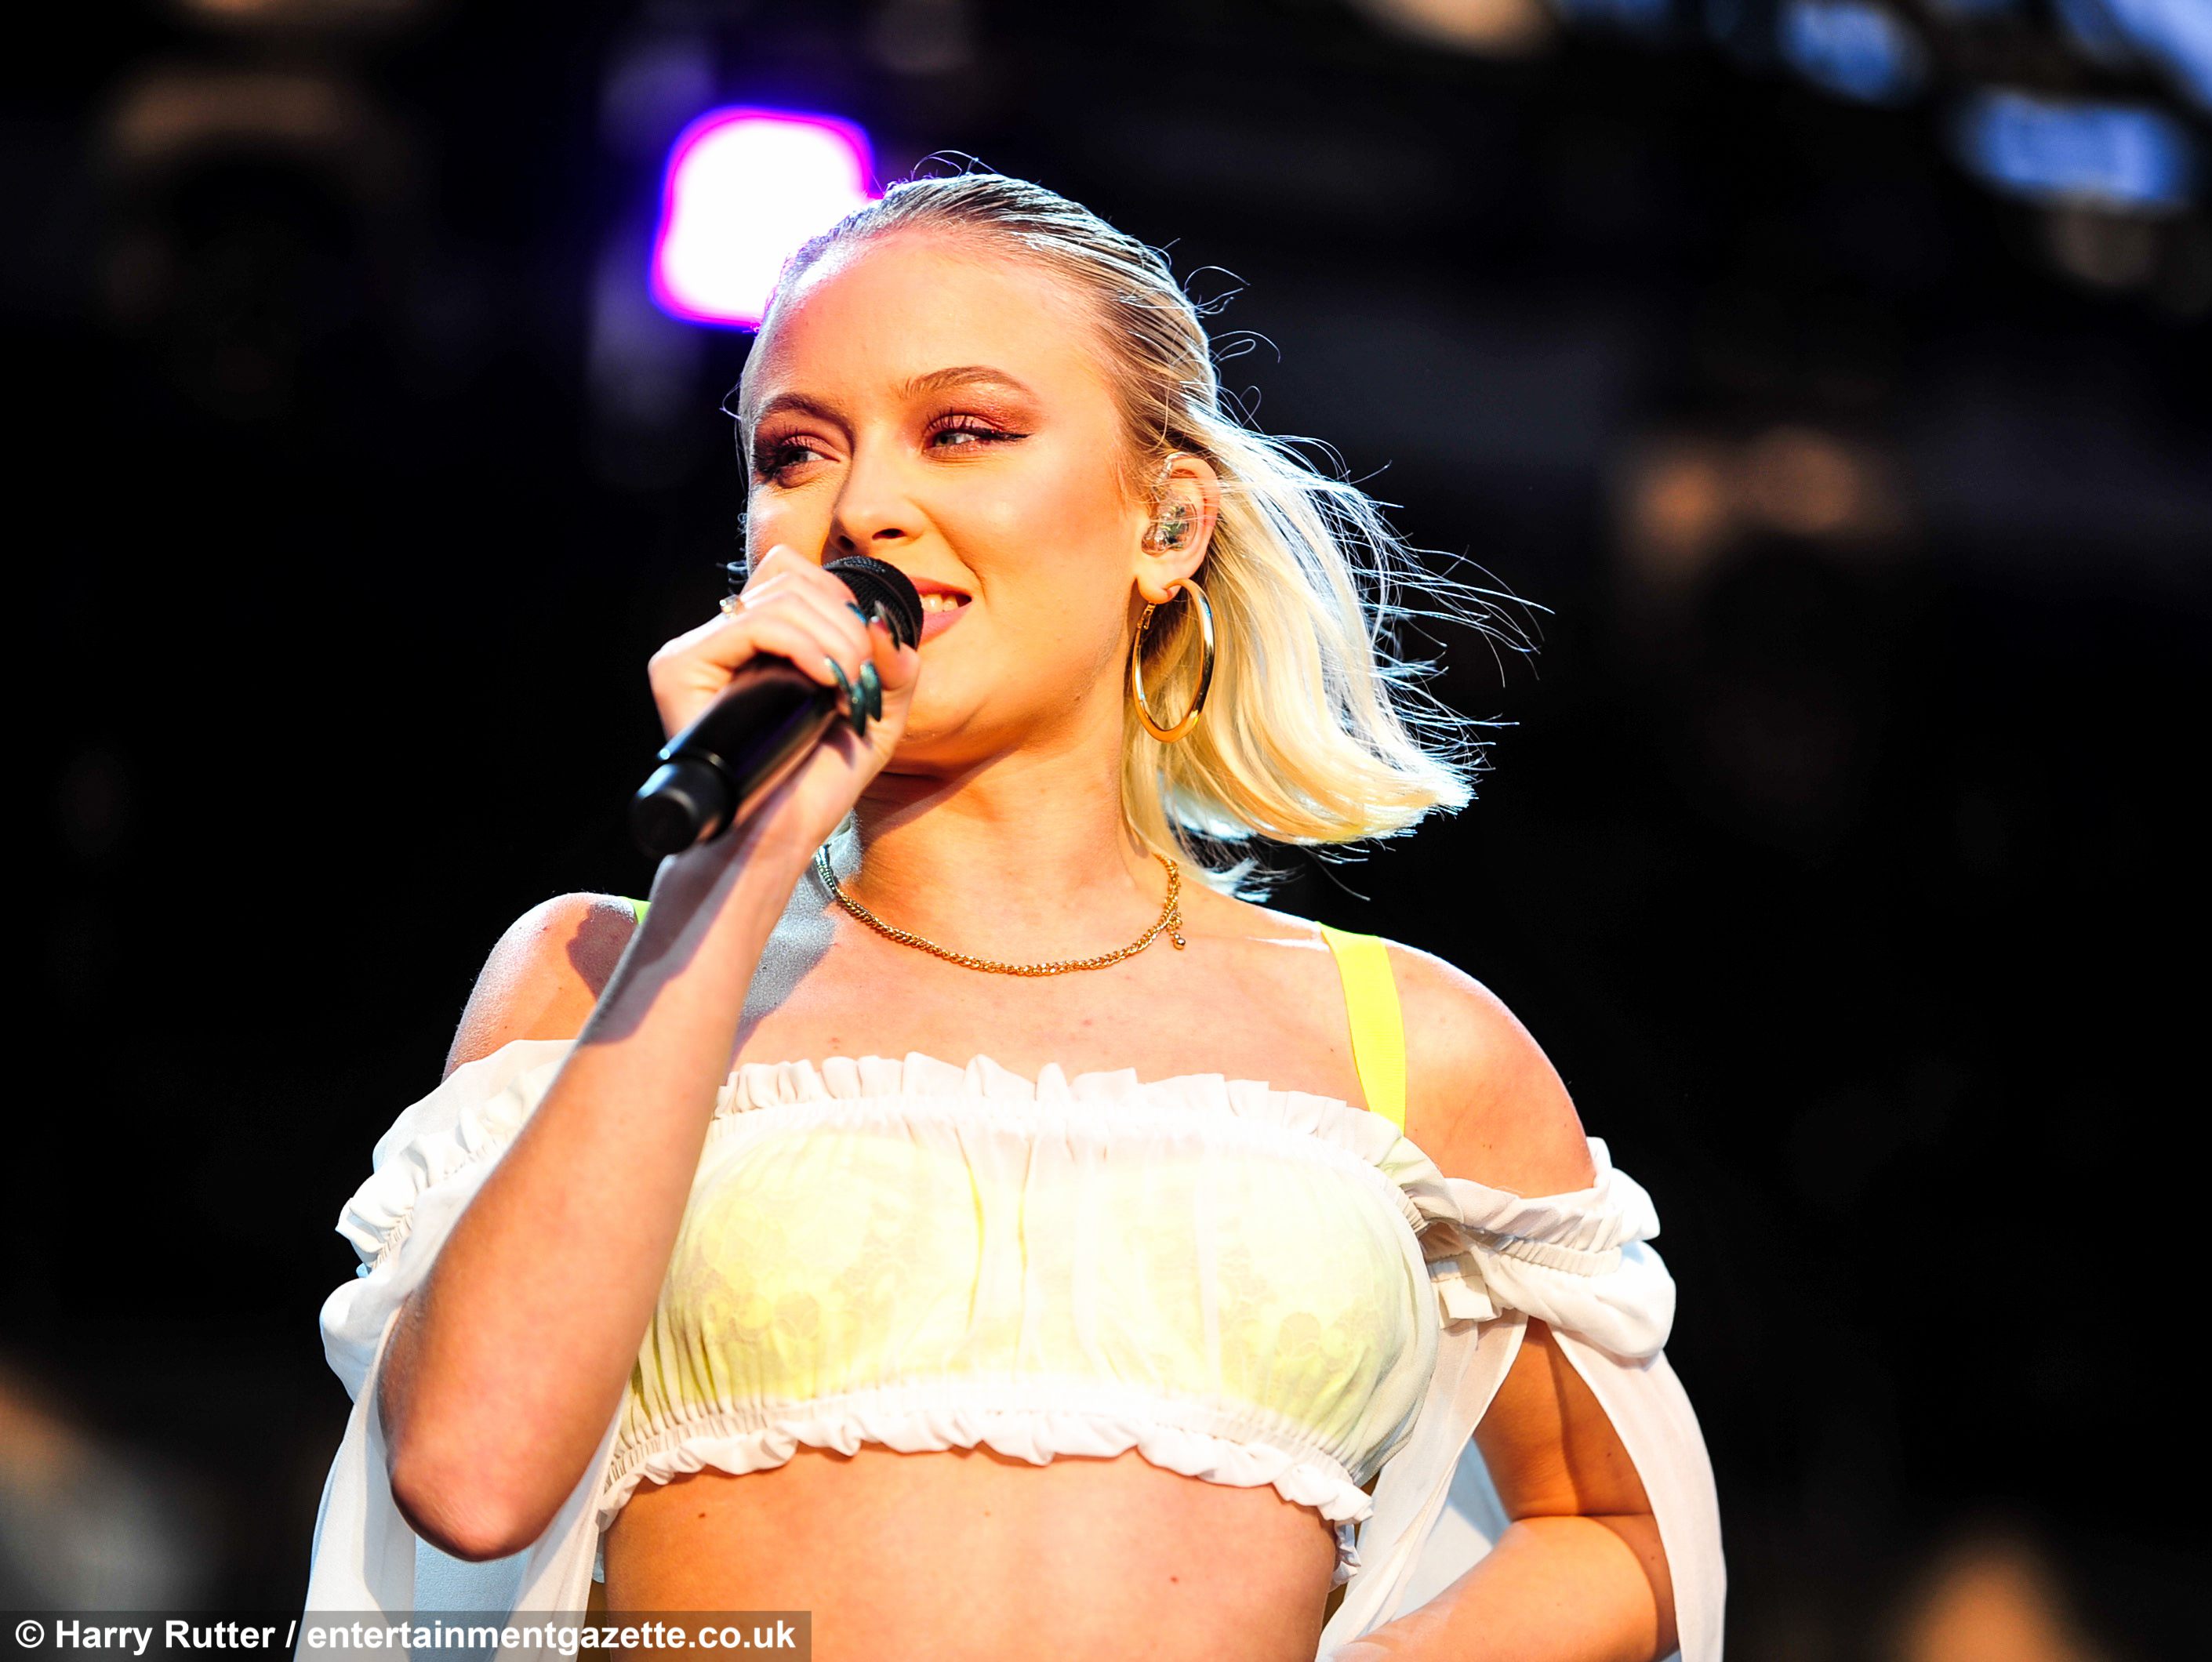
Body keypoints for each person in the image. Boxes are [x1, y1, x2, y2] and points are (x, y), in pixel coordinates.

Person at [303, 173, 1722, 1662]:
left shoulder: (1406, 1046)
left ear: (1168, 525)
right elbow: (469, 1478)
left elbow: (1617, 1537)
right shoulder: (598, 971)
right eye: (796, 453)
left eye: (964, 431)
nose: (863, 507)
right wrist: (726, 882)